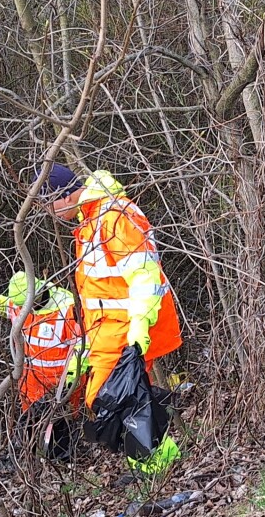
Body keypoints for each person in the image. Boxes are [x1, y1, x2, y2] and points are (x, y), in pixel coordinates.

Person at [41, 163, 183, 471]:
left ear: (64, 196)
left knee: (112, 401)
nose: (47, 211)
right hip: (106, 332)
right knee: (112, 401)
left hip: (124, 328)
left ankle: (157, 465)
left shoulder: (114, 218)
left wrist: (139, 326)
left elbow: (144, 277)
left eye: (48, 202)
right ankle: (156, 459)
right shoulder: (90, 221)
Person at [0, 271, 84, 412]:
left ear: (35, 296)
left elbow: (85, 342)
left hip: (61, 390)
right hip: (29, 389)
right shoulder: (20, 305)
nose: (23, 310)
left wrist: (75, 372)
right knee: (30, 429)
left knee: (63, 432)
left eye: (25, 305)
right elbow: (7, 305)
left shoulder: (67, 308)